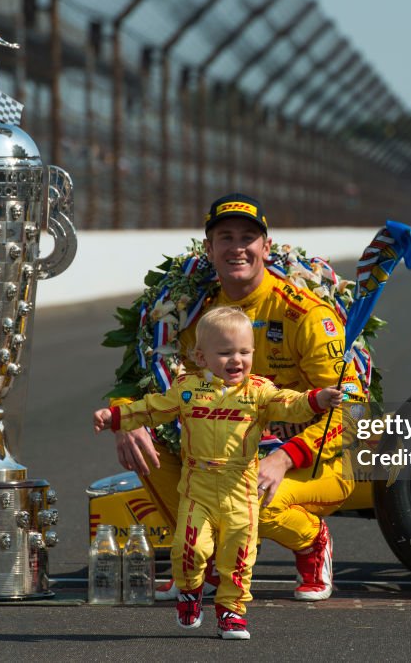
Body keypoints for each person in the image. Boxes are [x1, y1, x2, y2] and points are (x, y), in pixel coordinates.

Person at [110, 192, 366, 602]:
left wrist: (283, 458)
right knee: (146, 441)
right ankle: (205, 559)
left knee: (252, 495)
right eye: (225, 237)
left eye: (248, 237)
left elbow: (353, 408)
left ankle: (312, 541)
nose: (237, 247)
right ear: (208, 249)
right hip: (235, 451)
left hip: (313, 456)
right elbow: (170, 389)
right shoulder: (193, 311)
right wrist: (125, 417)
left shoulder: (306, 314)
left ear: (266, 247)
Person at [95, 307, 344, 639]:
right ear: (201, 356)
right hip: (198, 487)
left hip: (241, 489)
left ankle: (232, 613)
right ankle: (190, 592)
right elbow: (151, 408)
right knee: (189, 550)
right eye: (225, 353)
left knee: (238, 558)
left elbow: (291, 403)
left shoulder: (260, 391)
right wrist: (114, 417)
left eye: (244, 352)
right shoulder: (186, 389)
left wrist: (318, 399)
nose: (236, 360)